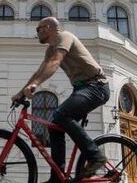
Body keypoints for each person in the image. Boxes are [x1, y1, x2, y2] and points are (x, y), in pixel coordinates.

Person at [12, 17, 110, 182]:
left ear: (49, 27)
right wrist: (21, 92)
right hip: (82, 88)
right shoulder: (50, 49)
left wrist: (35, 85)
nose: (37, 33)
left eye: (38, 29)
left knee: (61, 115)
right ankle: (57, 178)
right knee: (55, 127)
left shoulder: (65, 36)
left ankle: (95, 156)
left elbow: (55, 62)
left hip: (96, 86)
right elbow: (39, 72)